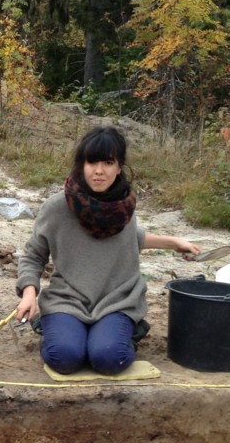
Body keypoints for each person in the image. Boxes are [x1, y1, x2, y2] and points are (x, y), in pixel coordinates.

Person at [15, 126, 200, 376]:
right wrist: (29, 293)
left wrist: (175, 243)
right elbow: (33, 255)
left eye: (108, 162)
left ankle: (124, 332)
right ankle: (53, 329)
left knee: (110, 359)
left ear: (119, 166)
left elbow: (131, 238)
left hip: (117, 301)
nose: (99, 171)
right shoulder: (57, 207)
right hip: (67, 300)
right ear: (82, 164)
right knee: (65, 358)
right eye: (92, 162)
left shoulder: (123, 206)